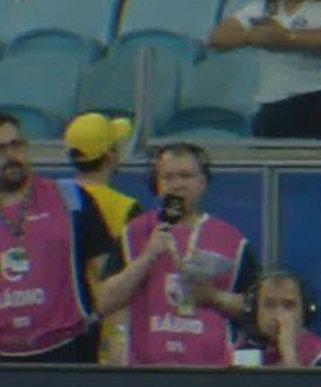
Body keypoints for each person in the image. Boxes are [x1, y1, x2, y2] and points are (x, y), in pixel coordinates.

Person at [96, 143, 260, 367]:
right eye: (168, 178)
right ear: (157, 185)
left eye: (186, 176)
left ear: (203, 182)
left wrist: (214, 297)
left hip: (211, 374)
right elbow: (103, 302)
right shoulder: (134, 233)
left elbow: (255, 309)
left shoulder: (231, 240)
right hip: (146, 370)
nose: (177, 185)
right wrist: (146, 258)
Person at [0, 113, 115, 364]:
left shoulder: (70, 198)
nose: (10, 156)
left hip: (67, 354)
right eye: (1, 149)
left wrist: (117, 338)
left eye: (16, 145)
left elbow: (107, 276)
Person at [209, 0, 321, 139]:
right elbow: (218, 37)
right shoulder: (260, 7)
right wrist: (251, 37)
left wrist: (287, 38)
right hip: (275, 104)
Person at [63, 112, 144, 364]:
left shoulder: (55, 200)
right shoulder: (127, 208)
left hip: (63, 330)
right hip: (107, 331)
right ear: (110, 156)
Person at [241, 270, 321, 367]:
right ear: (255, 310)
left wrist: (288, 351)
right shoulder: (245, 349)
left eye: (288, 306)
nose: (278, 315)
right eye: (270, 305)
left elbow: (295, 385)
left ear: (304, 312)